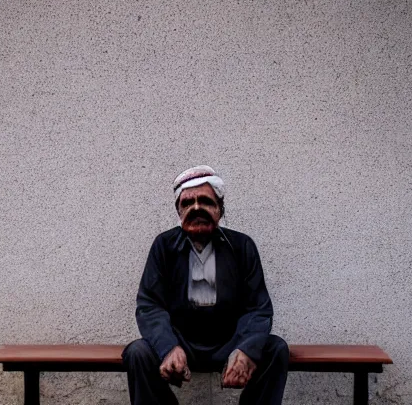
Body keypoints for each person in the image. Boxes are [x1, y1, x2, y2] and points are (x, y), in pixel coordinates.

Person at [122, 165, 289, 404]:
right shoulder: (164, 246)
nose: (196, 208)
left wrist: (246, 349)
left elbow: (258, 308)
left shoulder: (242, 247)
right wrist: (168, 346)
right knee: (138, 353)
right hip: (181, 342)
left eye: (205, 201)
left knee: (276, 350)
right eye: (187, 203)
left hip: (230, 342)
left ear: (220, 208)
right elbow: (149, 305)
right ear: (178, 211)